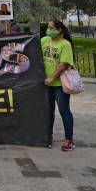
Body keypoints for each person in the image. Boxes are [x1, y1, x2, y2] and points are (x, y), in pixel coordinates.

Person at [41, 20, 75, 151]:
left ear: (60, 29)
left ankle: (69, 140)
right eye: (48, 28)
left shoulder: (65, 44)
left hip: (59, 84)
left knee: (64, 111)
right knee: (48, 111)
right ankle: (48, 136)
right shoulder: (44, 40)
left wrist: (52, 78)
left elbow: (64, 64)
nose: (48, 30)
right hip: (46, 84)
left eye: (51, 28)